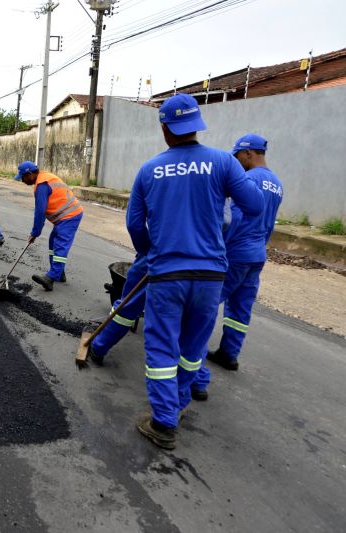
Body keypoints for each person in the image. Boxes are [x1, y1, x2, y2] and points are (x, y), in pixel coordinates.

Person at [126, 93, 264, 449]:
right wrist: (222, 234)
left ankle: (164, 421)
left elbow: (135, 224)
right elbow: (254, 205)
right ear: (197, 124)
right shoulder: (223, 162)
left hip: (166, 275)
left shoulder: (149, 169)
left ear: (164, 127)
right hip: (211, 275)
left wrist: (149, 254)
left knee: (160, 349)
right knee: (192, 348)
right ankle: (180, 402)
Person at [191, 134, 283, 400]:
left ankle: (196, 375)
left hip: (236, 253)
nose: (236, 161)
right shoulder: (277, 183)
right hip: (257, 255)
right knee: (240, 308)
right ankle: (229, 354)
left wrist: (217, 249)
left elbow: (235, 220)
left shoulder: (248, 181)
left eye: (238, 156)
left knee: (203, 310)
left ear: (248, 153)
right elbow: (269, 223)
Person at [14, 161, 83, 291]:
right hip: (63, 217)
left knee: (60, 244)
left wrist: (35, 232)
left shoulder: (42, 185)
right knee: (53, 242)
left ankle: (51, 277)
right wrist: (36, 232)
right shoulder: (44, 177)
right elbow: (43, 211)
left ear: (29, 174)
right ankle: (59, 272)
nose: (22, 181)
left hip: (70, 216)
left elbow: (40, 212)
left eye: (23, 177)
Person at [87, 254, 148, 365]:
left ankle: (98, 347)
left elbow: (142, 240)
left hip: (158, 265)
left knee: (127, 309)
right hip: (189, 276)